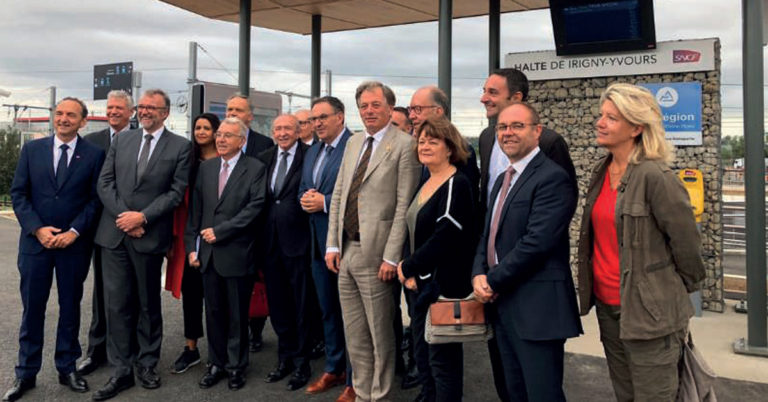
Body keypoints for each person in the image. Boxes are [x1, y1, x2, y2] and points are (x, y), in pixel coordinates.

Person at [576, 83, 705, 402]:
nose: (600, 122)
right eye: (601, 115)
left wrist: (661, 293)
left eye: (611, 118)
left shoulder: (656, 177)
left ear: (636, 127)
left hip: (651, 316)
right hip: (608, 309)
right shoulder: (601, 171)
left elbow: (688, 250)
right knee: (626, 395)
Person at [476, 69, 577, 401]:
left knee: (541, 394)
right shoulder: (505, 177)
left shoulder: (551, 178)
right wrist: (478, 271)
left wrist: (493, 280)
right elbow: (488, 230)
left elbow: (537, 242)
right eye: (503, 127)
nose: (507, 133)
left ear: (538, 132)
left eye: (517, 126)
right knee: (513, 391)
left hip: (536, 307)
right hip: (502, 303)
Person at [93, 89, 191, 401]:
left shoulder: (181, 147)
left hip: (148, 236)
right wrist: (125, 217)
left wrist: (142, 218)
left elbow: (176, 193)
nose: (146, 112)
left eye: (153, 107)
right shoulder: (122, 140)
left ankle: (147, 363)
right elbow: (104, 183)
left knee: (148, 304)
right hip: (115, 235)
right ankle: (121, 369)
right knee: (117, 304)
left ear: (165, 113)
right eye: (143, 106)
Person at [326, 81, 421, 401]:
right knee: (355, 332)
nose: (369, 111)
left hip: (379, 254)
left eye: (375, 105)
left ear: (390, 107)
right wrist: (332, 244)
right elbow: (339, 194)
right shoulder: (354, 142)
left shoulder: (405, 145)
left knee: (380, 333)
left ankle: (380, 394)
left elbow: (403, 205)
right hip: (348, 250)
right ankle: (362, 390)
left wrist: (392, 258)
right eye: (364, 105)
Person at [5, 97, 105, 401]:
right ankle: (26, 373)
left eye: (71, 115)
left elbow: (95, 200)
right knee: (32, 309)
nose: (63, 119)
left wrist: (74, 231)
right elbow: (19, 194)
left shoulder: (94, 155)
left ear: (83, 121)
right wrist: (37, 228)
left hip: (72, 246)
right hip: (36, 244)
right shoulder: (32, 150)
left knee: (70, 308)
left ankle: (67, 367)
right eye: (59, 113)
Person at [397, 117, 476, 402]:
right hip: (419, 285)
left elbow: (446, 236)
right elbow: (414, 230)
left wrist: (408, 266)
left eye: (434, 140)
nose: (425, 145)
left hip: (441, 287)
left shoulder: (458, 183)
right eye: (421, 140)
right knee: (422, 355)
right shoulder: (427, 181)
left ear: (450, 148)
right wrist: (409, 271)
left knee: (443, 362)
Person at [186, 117, 266, 391]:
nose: (220, 139)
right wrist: (191, 247)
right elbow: (195, 212)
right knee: (214, 313)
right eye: (219, 134)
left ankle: (236, 366)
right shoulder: (206, 169)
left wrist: (222, 230)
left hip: (237, 253)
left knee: (237, 316)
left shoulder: (255, 168)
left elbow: (255, 208)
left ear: (241, 141)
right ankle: (216, 364)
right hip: (207, 255)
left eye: (228, 136)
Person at [299, 96, 355, 401]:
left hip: (347, 244)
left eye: (322, 117)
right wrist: (306, 200)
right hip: (317, 245)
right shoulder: (314, 151)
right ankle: (334, 367)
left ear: (340, 117)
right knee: (328, 310)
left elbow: (361, 194)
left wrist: (324, 202)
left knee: (352, 314)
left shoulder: (355, 146)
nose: (317, 123)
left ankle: (355, 376)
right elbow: (303, 189)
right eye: (313, 119)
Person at [78, 90, 133, 377]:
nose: (113, 112)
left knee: (129, 296)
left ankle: (127, 352)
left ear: (131, 111)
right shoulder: (92, 142)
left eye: (119, 108)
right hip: (98, 230)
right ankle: (95, 351)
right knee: (101, 296)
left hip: (132, 228)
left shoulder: (140, 140)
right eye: (110, 107)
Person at [258, 115, 313, 391]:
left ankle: (302, 363)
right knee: (278, 306)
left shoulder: (310, 155)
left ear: (298, 131)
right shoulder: (265, 157)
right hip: (270, 245)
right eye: (277, 128)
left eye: (287, 128)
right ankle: (285, 358)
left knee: (301, 306)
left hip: (299, 243)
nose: (282, 133)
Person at [165, 113, 220, 374]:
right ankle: (191, 348)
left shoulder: (226, 161)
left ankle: (220, 353)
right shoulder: (187, 162)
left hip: (219, 238)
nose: (201, 132)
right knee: (191, 294)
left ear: (216, 132)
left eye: (206, 128)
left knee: (218, 299)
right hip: (190, 237)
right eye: (197, 127)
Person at [225, 93, 272, 350]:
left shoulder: (264, 144)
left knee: (256, 283)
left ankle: (255, 331)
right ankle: (234, 332)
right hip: (224, 228)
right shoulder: (219, 141)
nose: (232, 113)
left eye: (238, 110)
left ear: (250, 116)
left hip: (255, 226)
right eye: (229, 109)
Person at [409, 86, 479, 202]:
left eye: (417, 109)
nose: (411, 116)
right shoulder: (419, 147)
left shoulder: (462, 151)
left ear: (438, 111)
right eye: (410, 109)